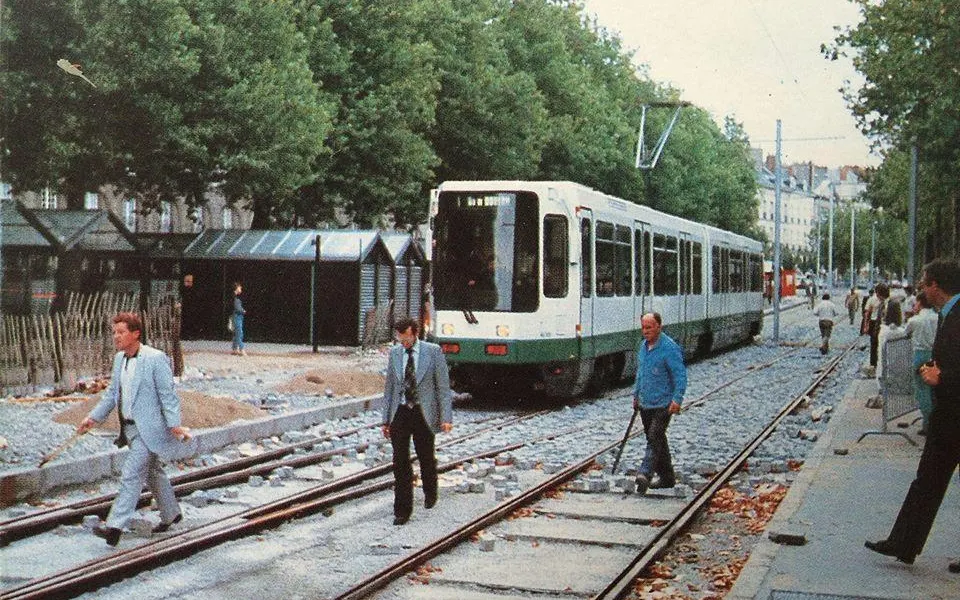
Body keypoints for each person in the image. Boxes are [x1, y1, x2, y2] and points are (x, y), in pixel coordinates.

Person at [865, 259, 960, 570]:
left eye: (924, 281)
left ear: (935, 285)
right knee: (927, 480)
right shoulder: (947, 315)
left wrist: (941, 378)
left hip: (954, 414)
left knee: (928, 480)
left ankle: (903, 542)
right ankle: (903, 544)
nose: (920, 287)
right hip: (948, 416)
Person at [77, 312, 191, 546]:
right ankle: (171, 513)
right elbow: (112, 395)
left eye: (121, 332)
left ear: (136, 334)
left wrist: (174, 425)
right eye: (114, 332)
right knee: (151, 471)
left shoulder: (155, 358)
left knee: (131, 474)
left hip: (149, 429)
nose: (116, 337)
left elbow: (167, 395)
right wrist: (92, 418)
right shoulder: (120, 359)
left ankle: (114, 527)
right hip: (129, 429)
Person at [381, 318, 452, 525]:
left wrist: (446, 417)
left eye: (406, 338)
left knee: (425, 456)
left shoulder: (433, 352)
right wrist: (386, 419)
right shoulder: (395, 354)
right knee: (400, 461)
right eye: (400, 339)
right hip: (401, 411)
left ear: (415, 334)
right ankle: (402, 510)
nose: (403, 343)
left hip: (423, 412)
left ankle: (430, 491)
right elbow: (390, 389)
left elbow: (443, 388)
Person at [632, 312, 686, 494]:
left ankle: (645, 473)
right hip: (646, 402)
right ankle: (667, 477)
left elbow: (680, 375)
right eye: (643, 328)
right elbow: (640, 373)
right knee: (657, 438)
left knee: (655, 436)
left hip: (664, 402)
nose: (645, 331)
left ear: (658, 327)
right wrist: (636, 394)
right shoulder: (643, 347)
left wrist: (677, 399)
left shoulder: (669, 348)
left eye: (649, 327)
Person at [887, 292, 938, 434]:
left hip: (920, 354)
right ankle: (934, 422)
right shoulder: (938, 318)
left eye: (916, 303)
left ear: (921, 303)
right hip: (935, 355)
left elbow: (905, 333)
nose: (914, 305)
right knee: (933, 390)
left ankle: (928, 424)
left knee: (921, 390)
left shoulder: (915, 320)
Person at [864, 283, 890, 369]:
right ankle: (874, 363)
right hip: (874, 322)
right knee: (874, 343)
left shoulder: (888, 301)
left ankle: (883, 362)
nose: (878, 295)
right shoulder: (872, 300)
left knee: (884, 343)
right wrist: (866, 325)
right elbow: (867, 313)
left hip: (885, 323)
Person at [231, 282, 247, 356]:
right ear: (236, 288)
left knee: (236, 333)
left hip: (236, 316)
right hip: (237, 316)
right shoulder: (234, 297)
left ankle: (234, 349)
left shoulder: (235, 296)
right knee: (239, 333)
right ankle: (241, 349)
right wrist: (242, 311)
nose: (241, 288)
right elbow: (237, 308)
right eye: (239, 287)